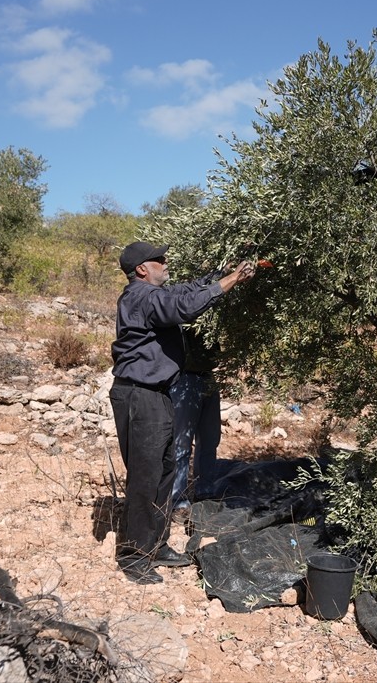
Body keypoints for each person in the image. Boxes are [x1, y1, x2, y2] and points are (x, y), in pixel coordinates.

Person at [109, 240, 255, 584]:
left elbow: (187, 291)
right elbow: (184, 307)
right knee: (145, 476)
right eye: (158, 259)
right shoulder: (141, 296)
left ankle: (155, 544)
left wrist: (220, 272)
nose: (165, 262)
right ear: (142, 269)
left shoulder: (153, 294)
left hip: (156, 394)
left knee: (164, 469)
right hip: (138, 396)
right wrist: (229, 281)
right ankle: (133, 556)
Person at [169, 322, 223, 525]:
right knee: (181, 443)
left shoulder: (210, 313)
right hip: (185, 378)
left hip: (208, 376)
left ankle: (205, 492)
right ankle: (177, 502)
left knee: (210, 439)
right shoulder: (183, 306)